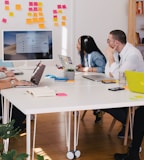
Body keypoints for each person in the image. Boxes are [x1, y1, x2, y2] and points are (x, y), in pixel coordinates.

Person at [103, 30, 144, 138]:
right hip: (124, 86)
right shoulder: (117, 52)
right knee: (104, 102)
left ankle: (130, 123)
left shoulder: (132, 55)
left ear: (116, 43)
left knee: (107, 103)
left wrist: (111, 59)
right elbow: (107, 72)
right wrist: (111, 60)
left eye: (109, 40)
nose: (107, 43)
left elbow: (118, 76)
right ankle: (128, 122)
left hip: (136, 90)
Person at [76, 35, 106, 122]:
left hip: (98, 83)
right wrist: (82, 66)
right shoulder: (84, 54)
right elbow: (88, 65)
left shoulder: (95, 55)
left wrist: (87, 69)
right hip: (90, 80)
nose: (76, 45)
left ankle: (97, 110)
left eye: (78, 43)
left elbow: (103, 68)